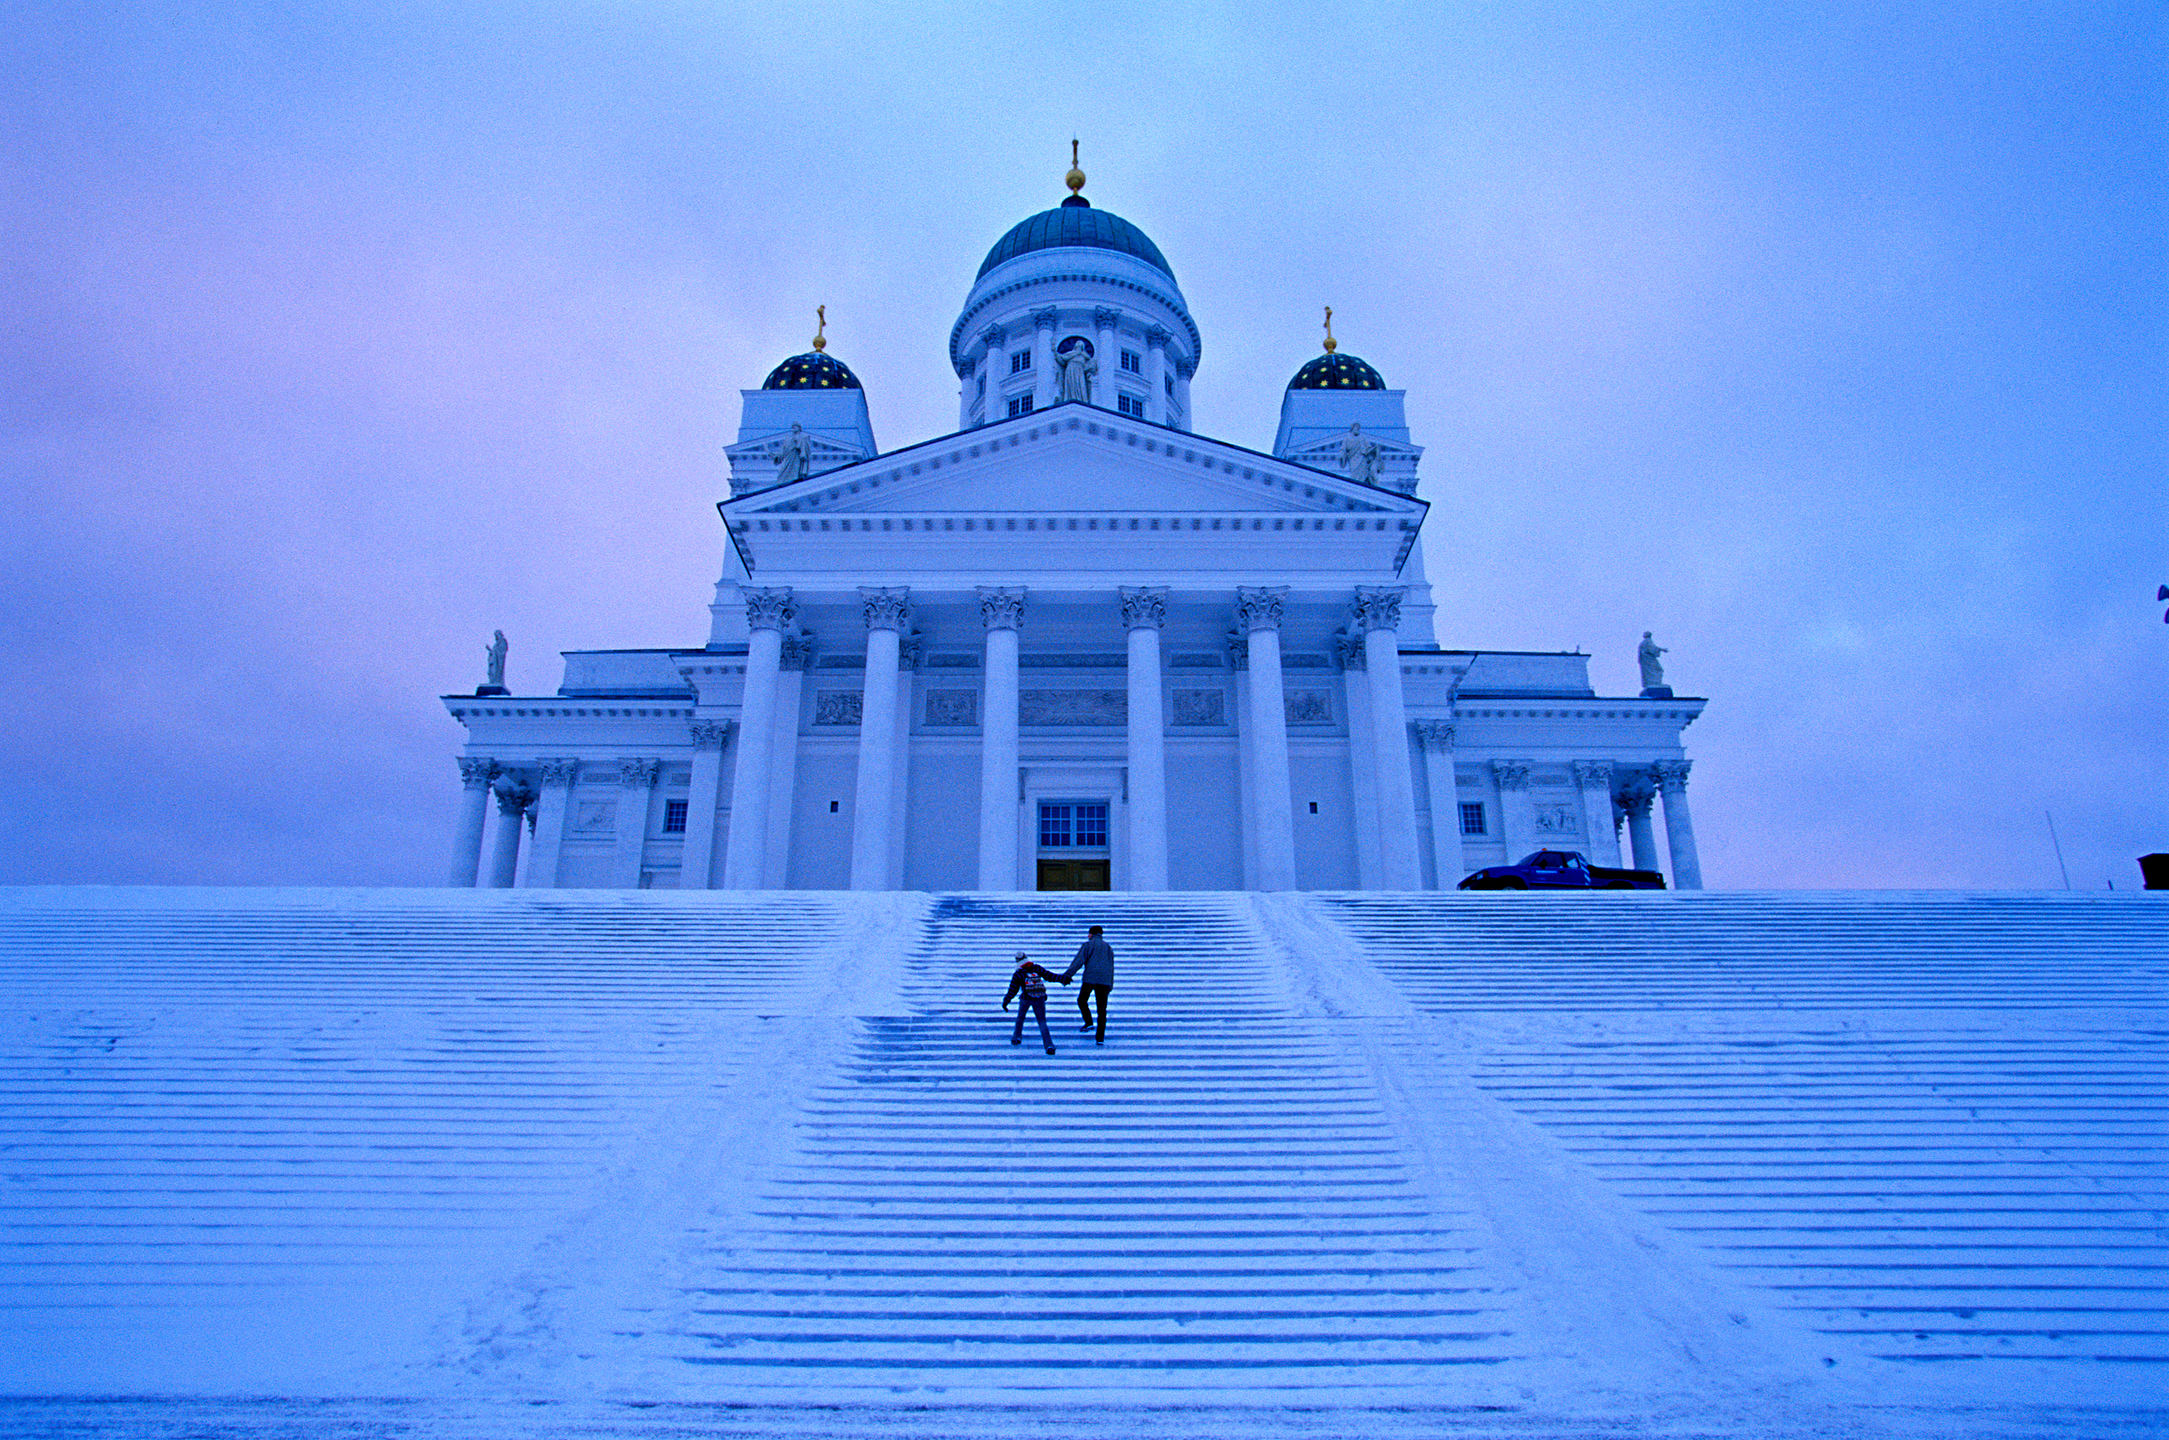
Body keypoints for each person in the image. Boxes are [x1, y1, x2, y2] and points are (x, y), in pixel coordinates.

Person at [1002, 952, 1067, 1054]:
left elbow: (1012, 990)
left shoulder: (1019, 973)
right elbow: (1049, 976)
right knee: (1042, 1021)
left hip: (1025, 999)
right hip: (1039, 998)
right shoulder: (1036, 968)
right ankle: (1049, 1045)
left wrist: (1006, 1001)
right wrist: (1062, 978)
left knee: (1020, 1018)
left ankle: (1016, 1037)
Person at [1062, 924, 1114, 1045]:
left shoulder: (1088, 945)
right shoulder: (1108, 947)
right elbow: (1111, 966)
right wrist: (1110, 984)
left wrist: (1068, 975)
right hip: (1104, 982)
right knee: (1102, 1010)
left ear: (1091, 934)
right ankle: (1100, 1038)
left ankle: (1089, 1022)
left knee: (1081, 1000)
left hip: (1089, 979)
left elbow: (1078, 961)